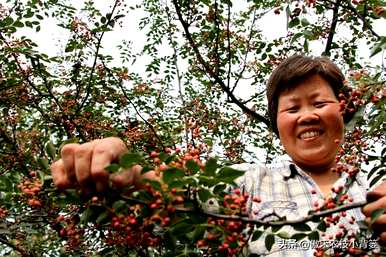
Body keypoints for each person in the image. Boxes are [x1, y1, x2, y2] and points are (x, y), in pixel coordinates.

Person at [51, 55, 386, 256]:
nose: (306, 116)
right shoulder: (249, 183)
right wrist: (120, 164)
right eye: (292, 108)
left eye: (319, 103)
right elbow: (162, 189)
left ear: (342, 110)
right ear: (277, 124)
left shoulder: (377, 184)